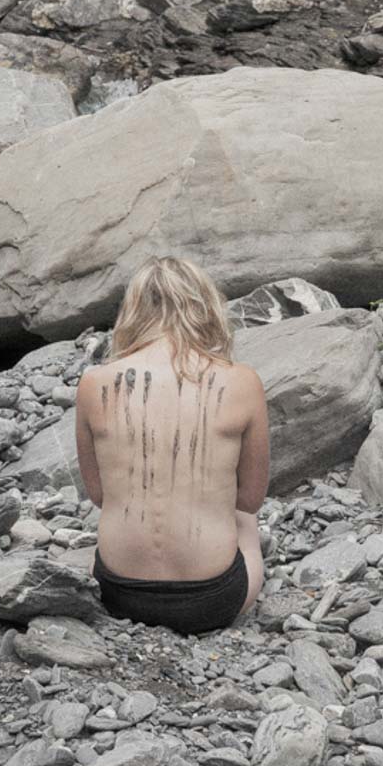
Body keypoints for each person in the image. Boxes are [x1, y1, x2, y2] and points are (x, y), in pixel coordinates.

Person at [74, 256, 269, 635]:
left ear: (131, 313)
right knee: (244, 520)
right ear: (205, 307)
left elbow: (98, 495)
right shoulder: (242, 382)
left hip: (118, 594)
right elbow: (249, 499)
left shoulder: (94, 384)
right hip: (214, 600)